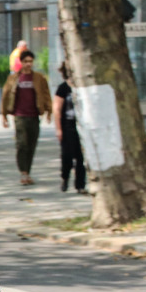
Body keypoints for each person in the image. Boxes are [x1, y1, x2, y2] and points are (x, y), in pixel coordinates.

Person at [0, 49, 51, 186]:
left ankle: (27, 172)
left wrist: (49, 111)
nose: (28, 64)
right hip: (20, 116)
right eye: (26, 61)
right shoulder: (14, 78)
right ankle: (23, 173)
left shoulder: (39, 78)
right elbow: (5, 96)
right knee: (22, 144)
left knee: (31, 145)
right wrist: (4, 115)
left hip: (34, 116)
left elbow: (46, 94)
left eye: (30, 61)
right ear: (21, 62)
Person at [53, 64, 86, 194]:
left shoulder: (81, 87)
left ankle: (80, 185)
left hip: (81, 126)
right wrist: (58, 129)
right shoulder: (63, 88)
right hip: (67, 125)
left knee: (80, 157)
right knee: (67, 155)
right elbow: (57, 109)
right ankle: (65, 177)